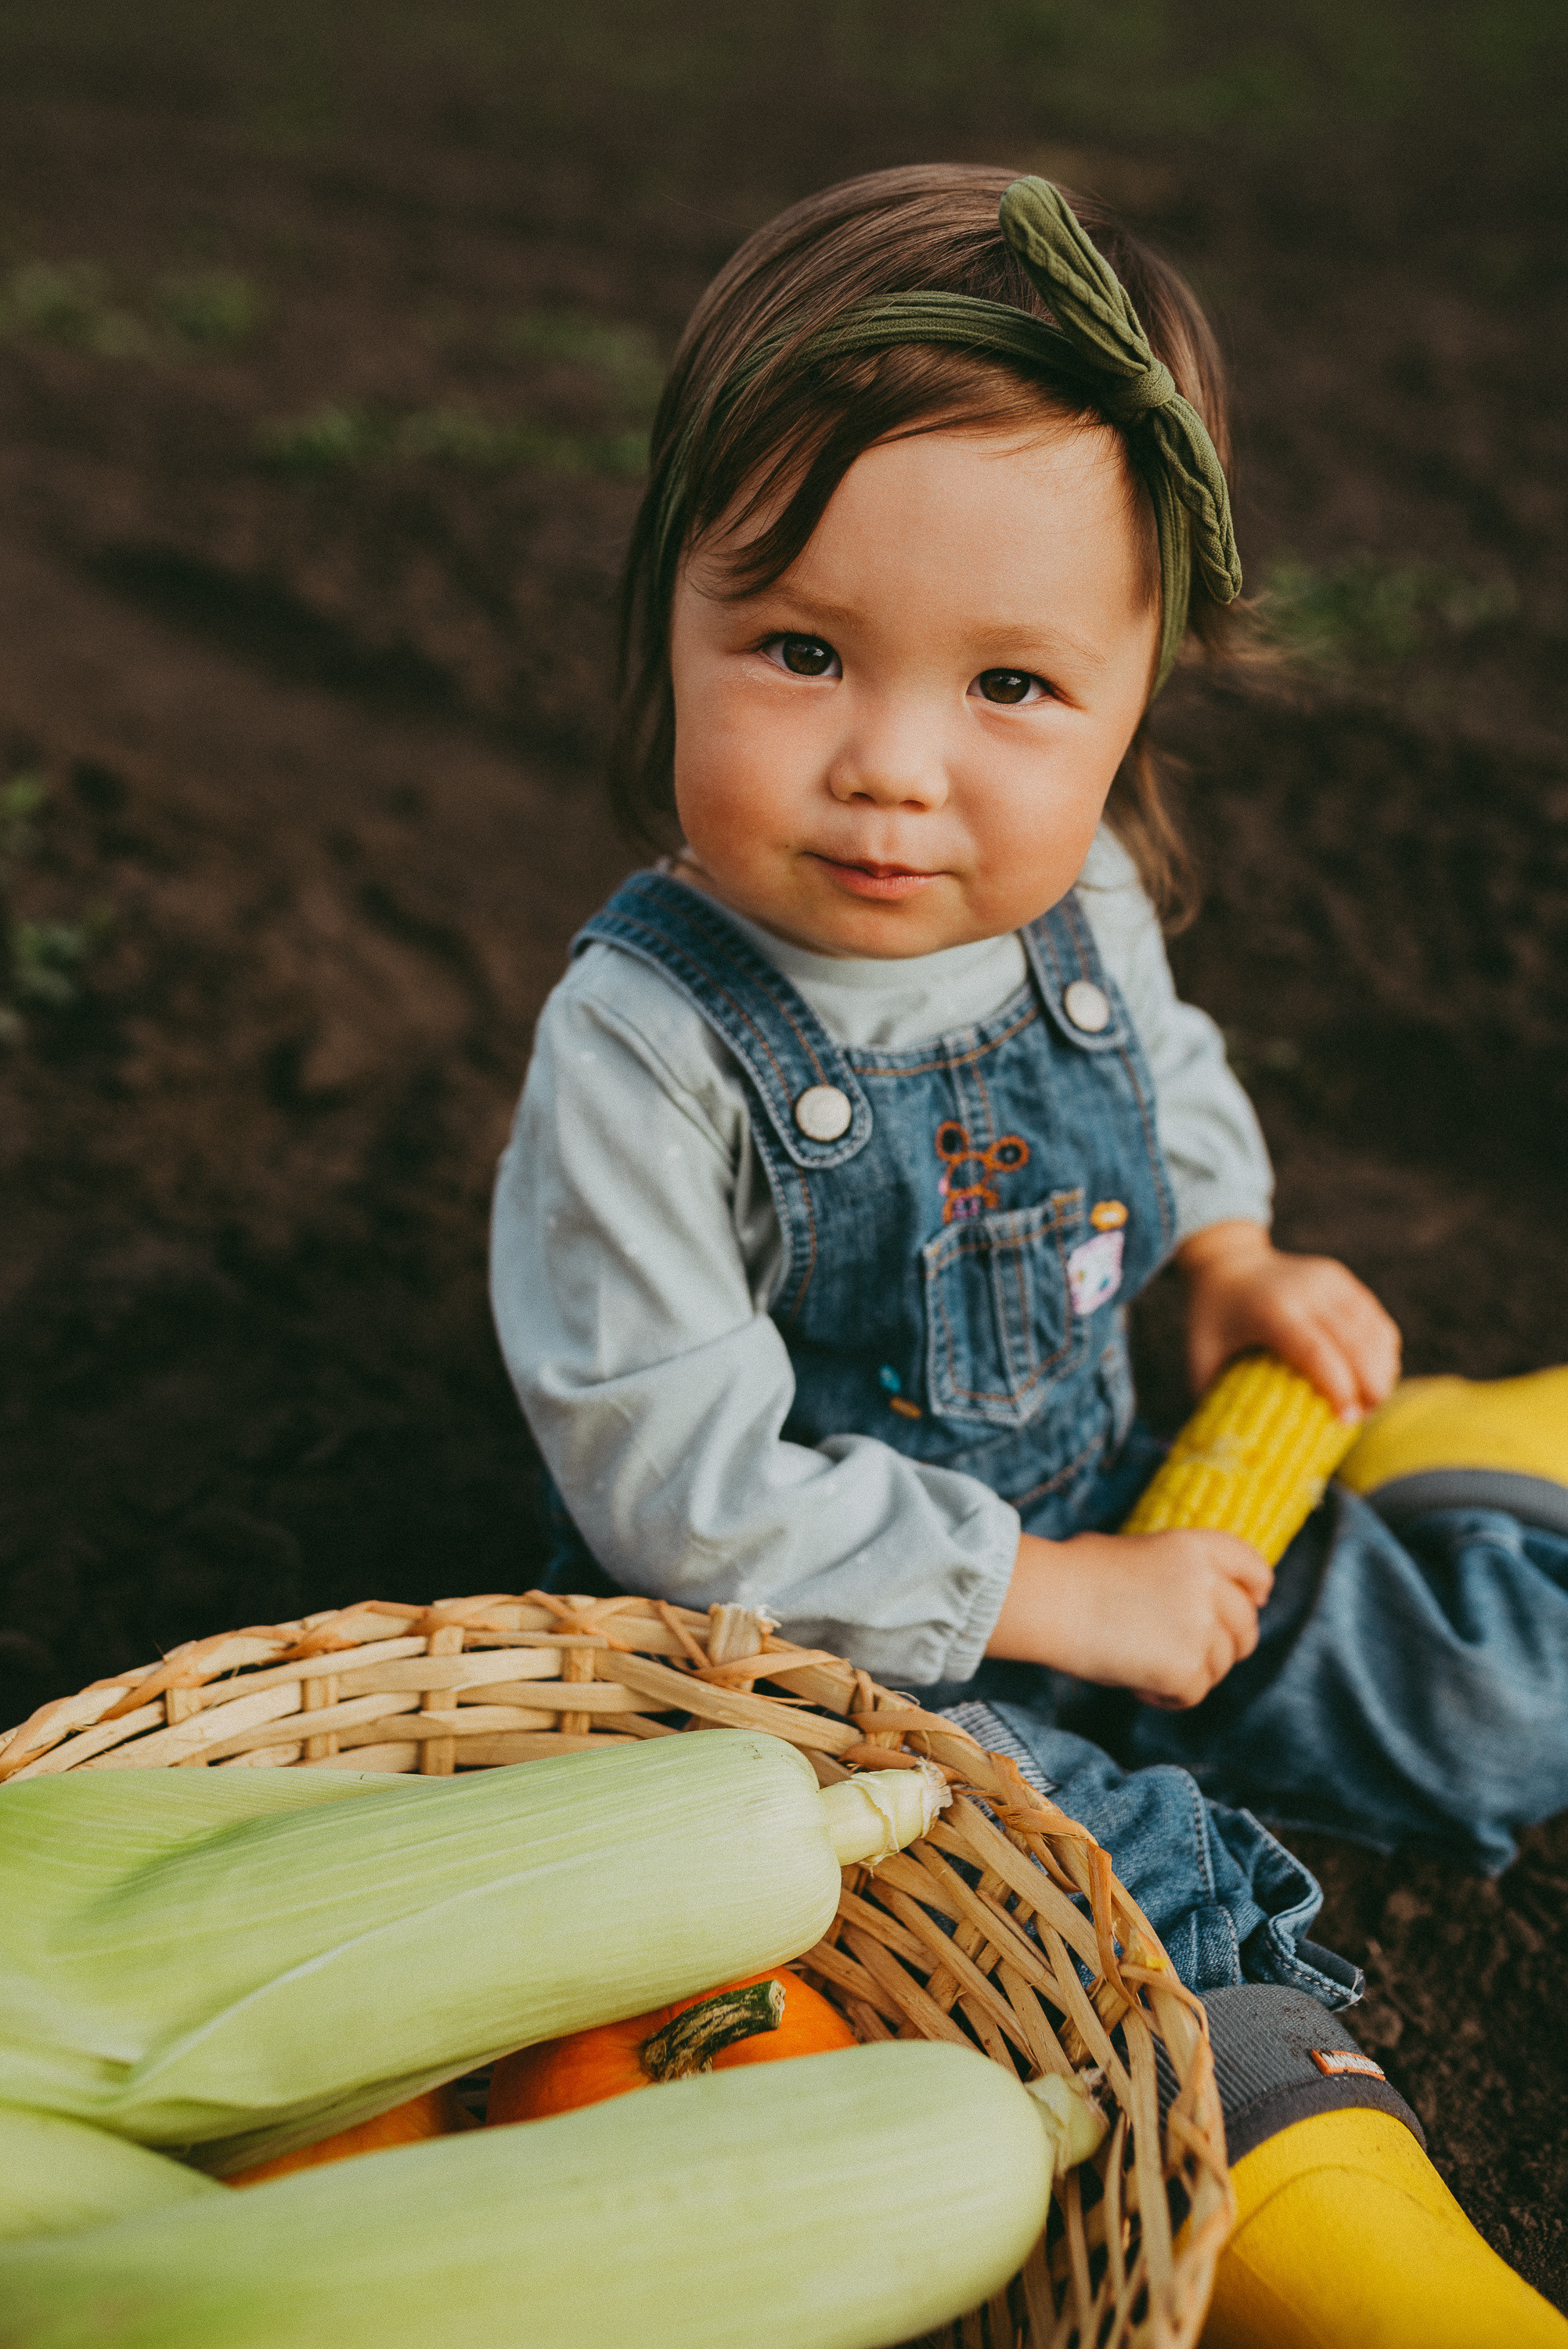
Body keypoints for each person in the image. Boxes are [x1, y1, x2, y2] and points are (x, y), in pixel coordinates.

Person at [492, 167, 1568, 2342]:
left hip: (1116, 1517)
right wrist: (1045, 1602)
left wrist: (1229, 1260)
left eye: (1008, 687)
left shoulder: (1077, 909)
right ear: (666, 617)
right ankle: (1322, 2211)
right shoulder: (643, 1047)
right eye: (797, 651)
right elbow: (676, 1492)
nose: (891, 766)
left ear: (1135, 690)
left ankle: (1459, 1475)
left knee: (1473, 1708)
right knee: (1120, 1901)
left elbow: (1161, 1084)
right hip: (819, 1659)